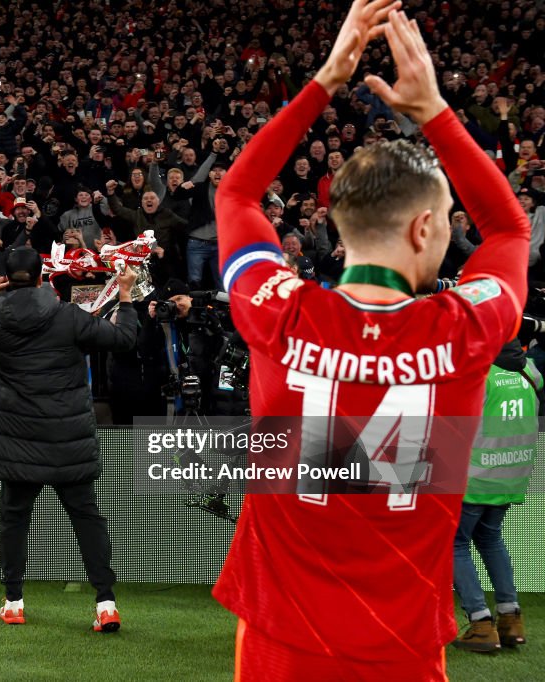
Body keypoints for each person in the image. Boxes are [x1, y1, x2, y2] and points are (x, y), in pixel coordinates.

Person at [210, 3, 531, 679]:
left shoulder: (278, 310)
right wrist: (435, 111)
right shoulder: (465, 329)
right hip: (402, 645)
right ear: (423, 229)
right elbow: (508, 231)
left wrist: (325, 80)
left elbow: (236, 195)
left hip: (280, 643)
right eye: (446, 218)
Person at [0, 247, 138, 632]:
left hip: (17, 443)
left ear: (5, 280)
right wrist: (126, 295)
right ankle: (106, 603)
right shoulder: (69, 316)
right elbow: (124, 338)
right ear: (42, 277)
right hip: (67, 440)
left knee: (14, 520)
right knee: (86, 518)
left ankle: (14, 602)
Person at [452, 339, 541, 652]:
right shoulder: (530, 370)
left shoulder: (478, 373)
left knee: (454, 545)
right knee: (490, 539)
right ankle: (510, 618)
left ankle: (481, 623)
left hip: (475, 477)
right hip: (511, 474)